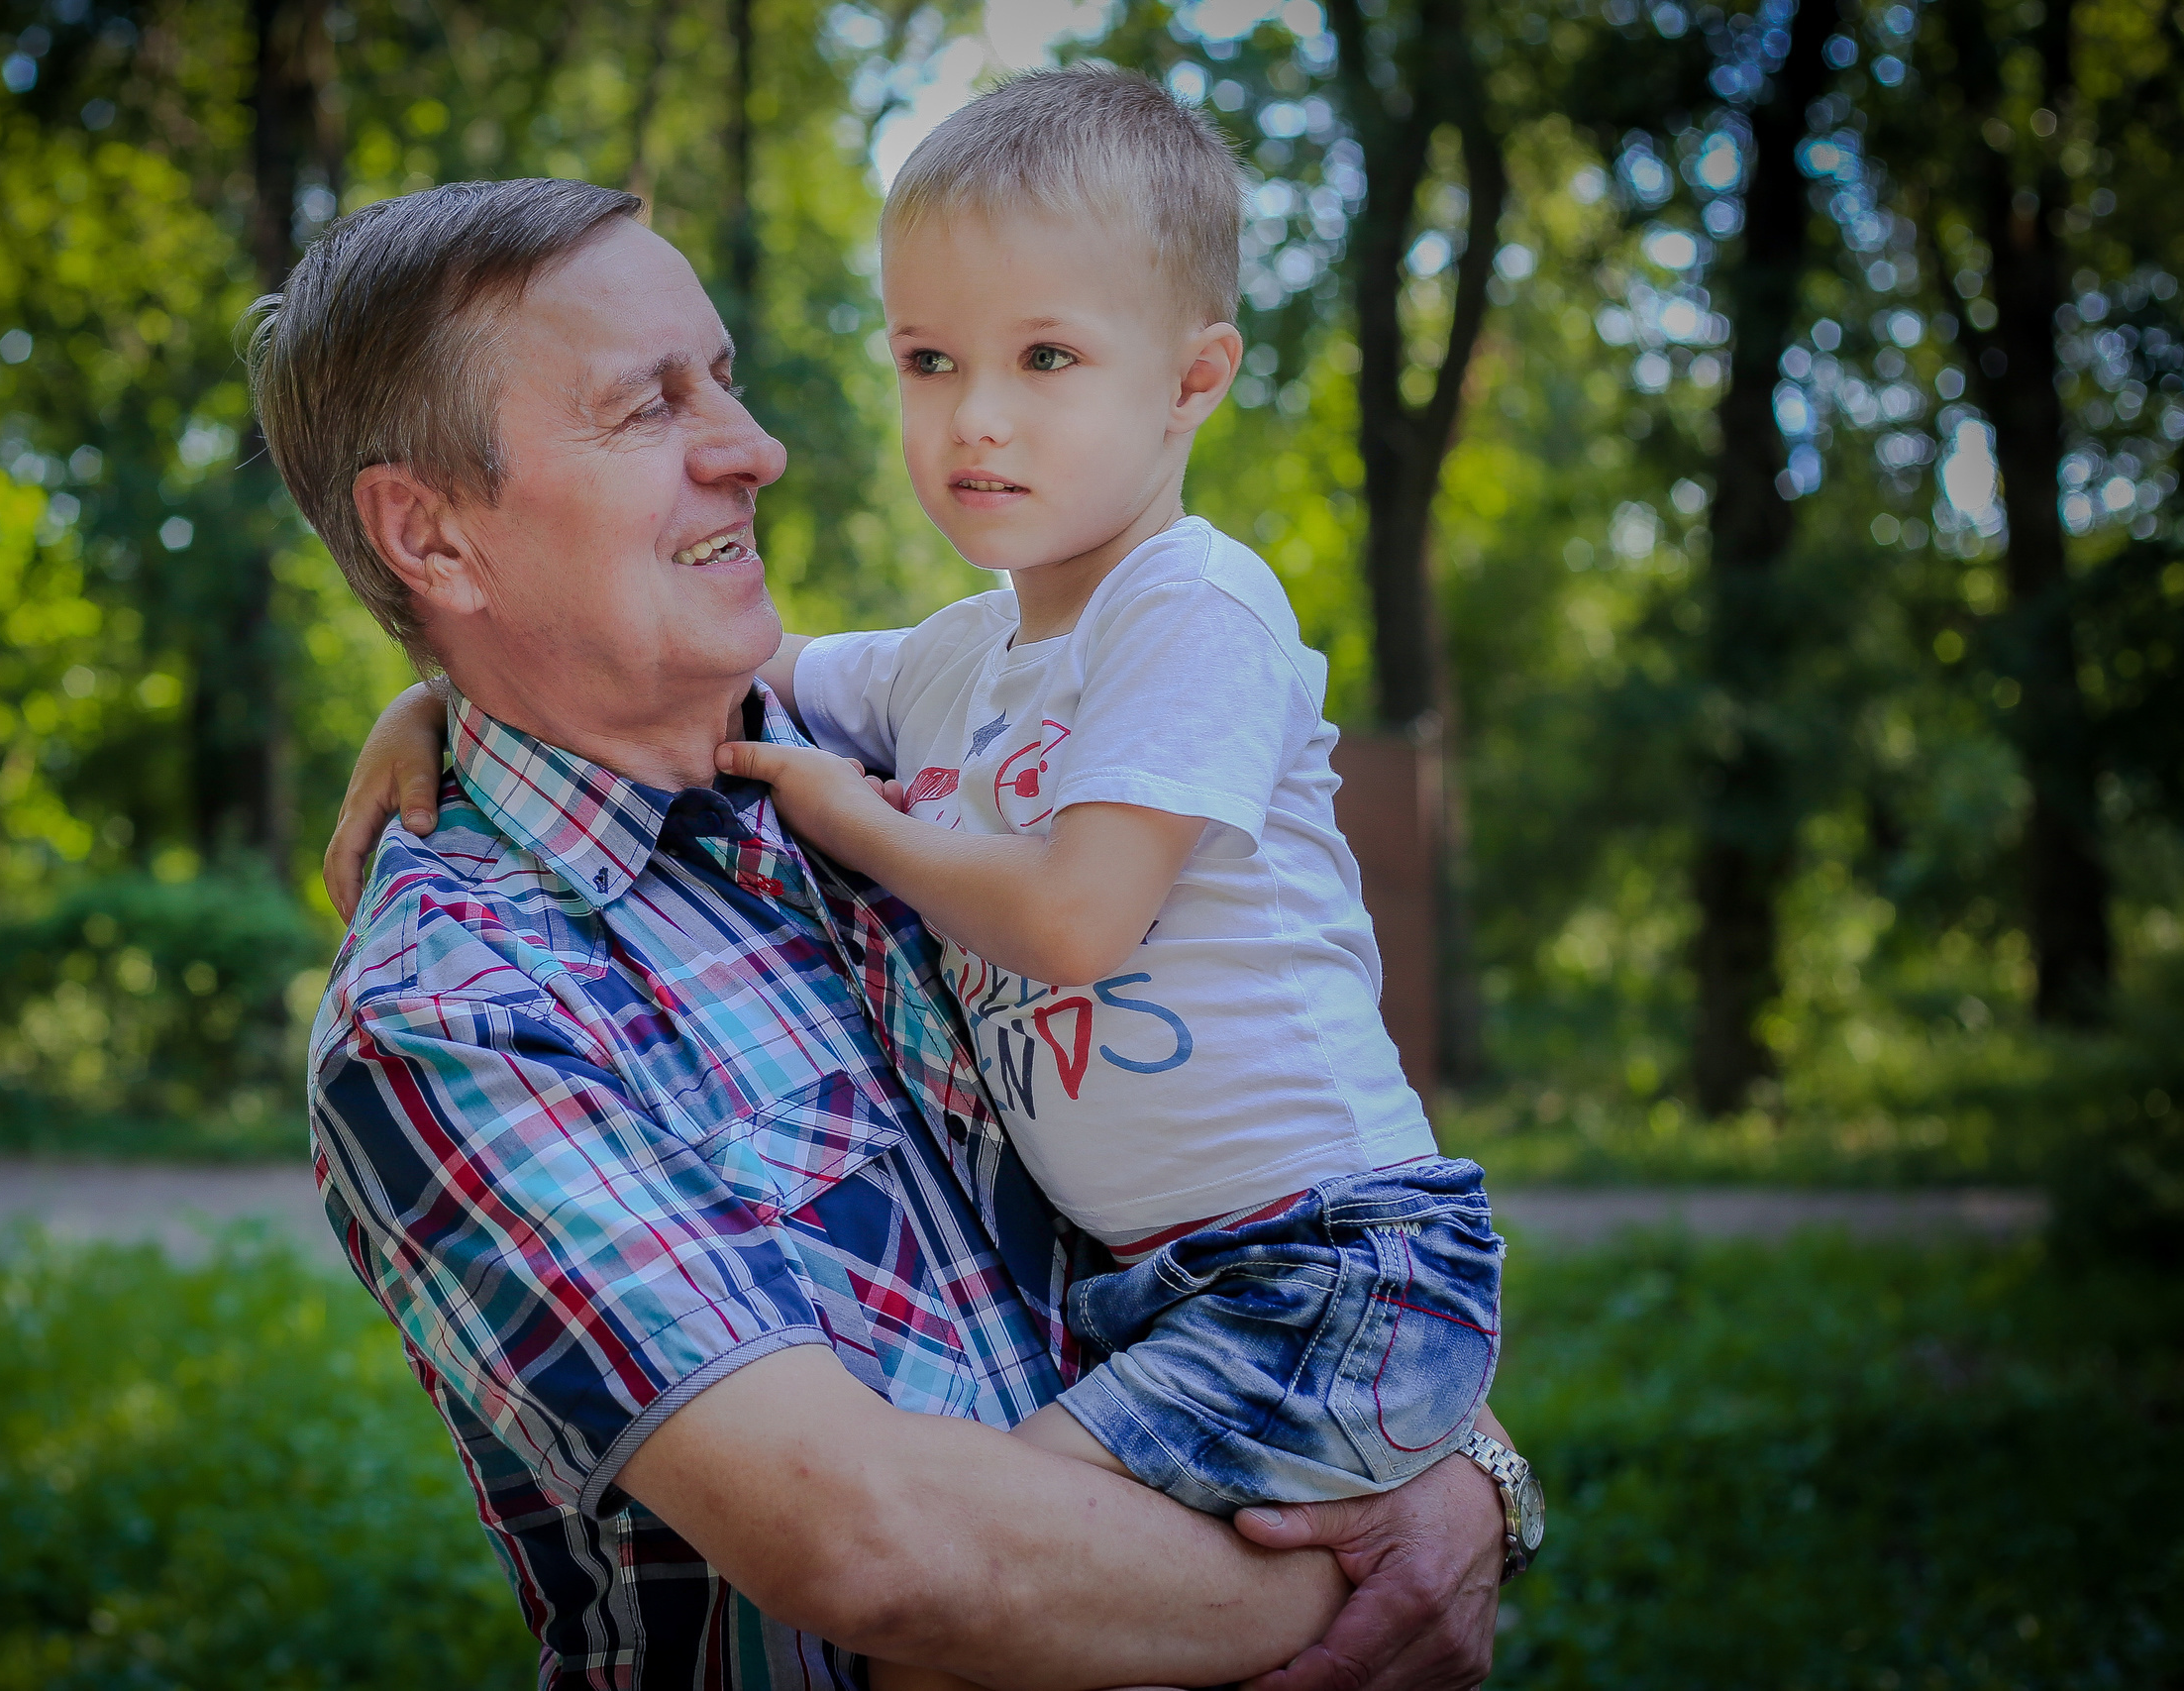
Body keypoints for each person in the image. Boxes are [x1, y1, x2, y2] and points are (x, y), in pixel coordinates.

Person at [277, 175, 1517, 1690]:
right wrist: (1383, 1568)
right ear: (431, 536)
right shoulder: (458, 1006)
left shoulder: (912, 783)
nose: (756, 451)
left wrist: (1466, 1471)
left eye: (722, 379)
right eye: (648, 407)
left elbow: (1248, 1211)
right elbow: (878, 1549)